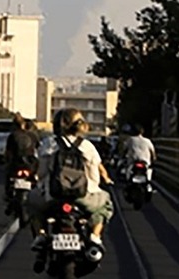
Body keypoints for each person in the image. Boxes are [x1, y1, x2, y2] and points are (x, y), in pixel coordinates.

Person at [29, 107, 114, 251]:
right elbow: (95, 175)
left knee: (32, 204)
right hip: (83, 196)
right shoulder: (87, 146)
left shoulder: (49, 144)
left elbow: (41, 173)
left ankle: (40, 235)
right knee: (106, 204)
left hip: (53, 196)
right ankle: (95, 235)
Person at [3, 114, 40, 203]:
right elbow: (38, 148)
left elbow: (8, 152)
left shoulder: (12, 136)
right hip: (30, 165)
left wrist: (6, 161)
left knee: (8, 175)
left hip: (16, 164)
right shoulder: (32, 135)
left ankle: (8, 194)